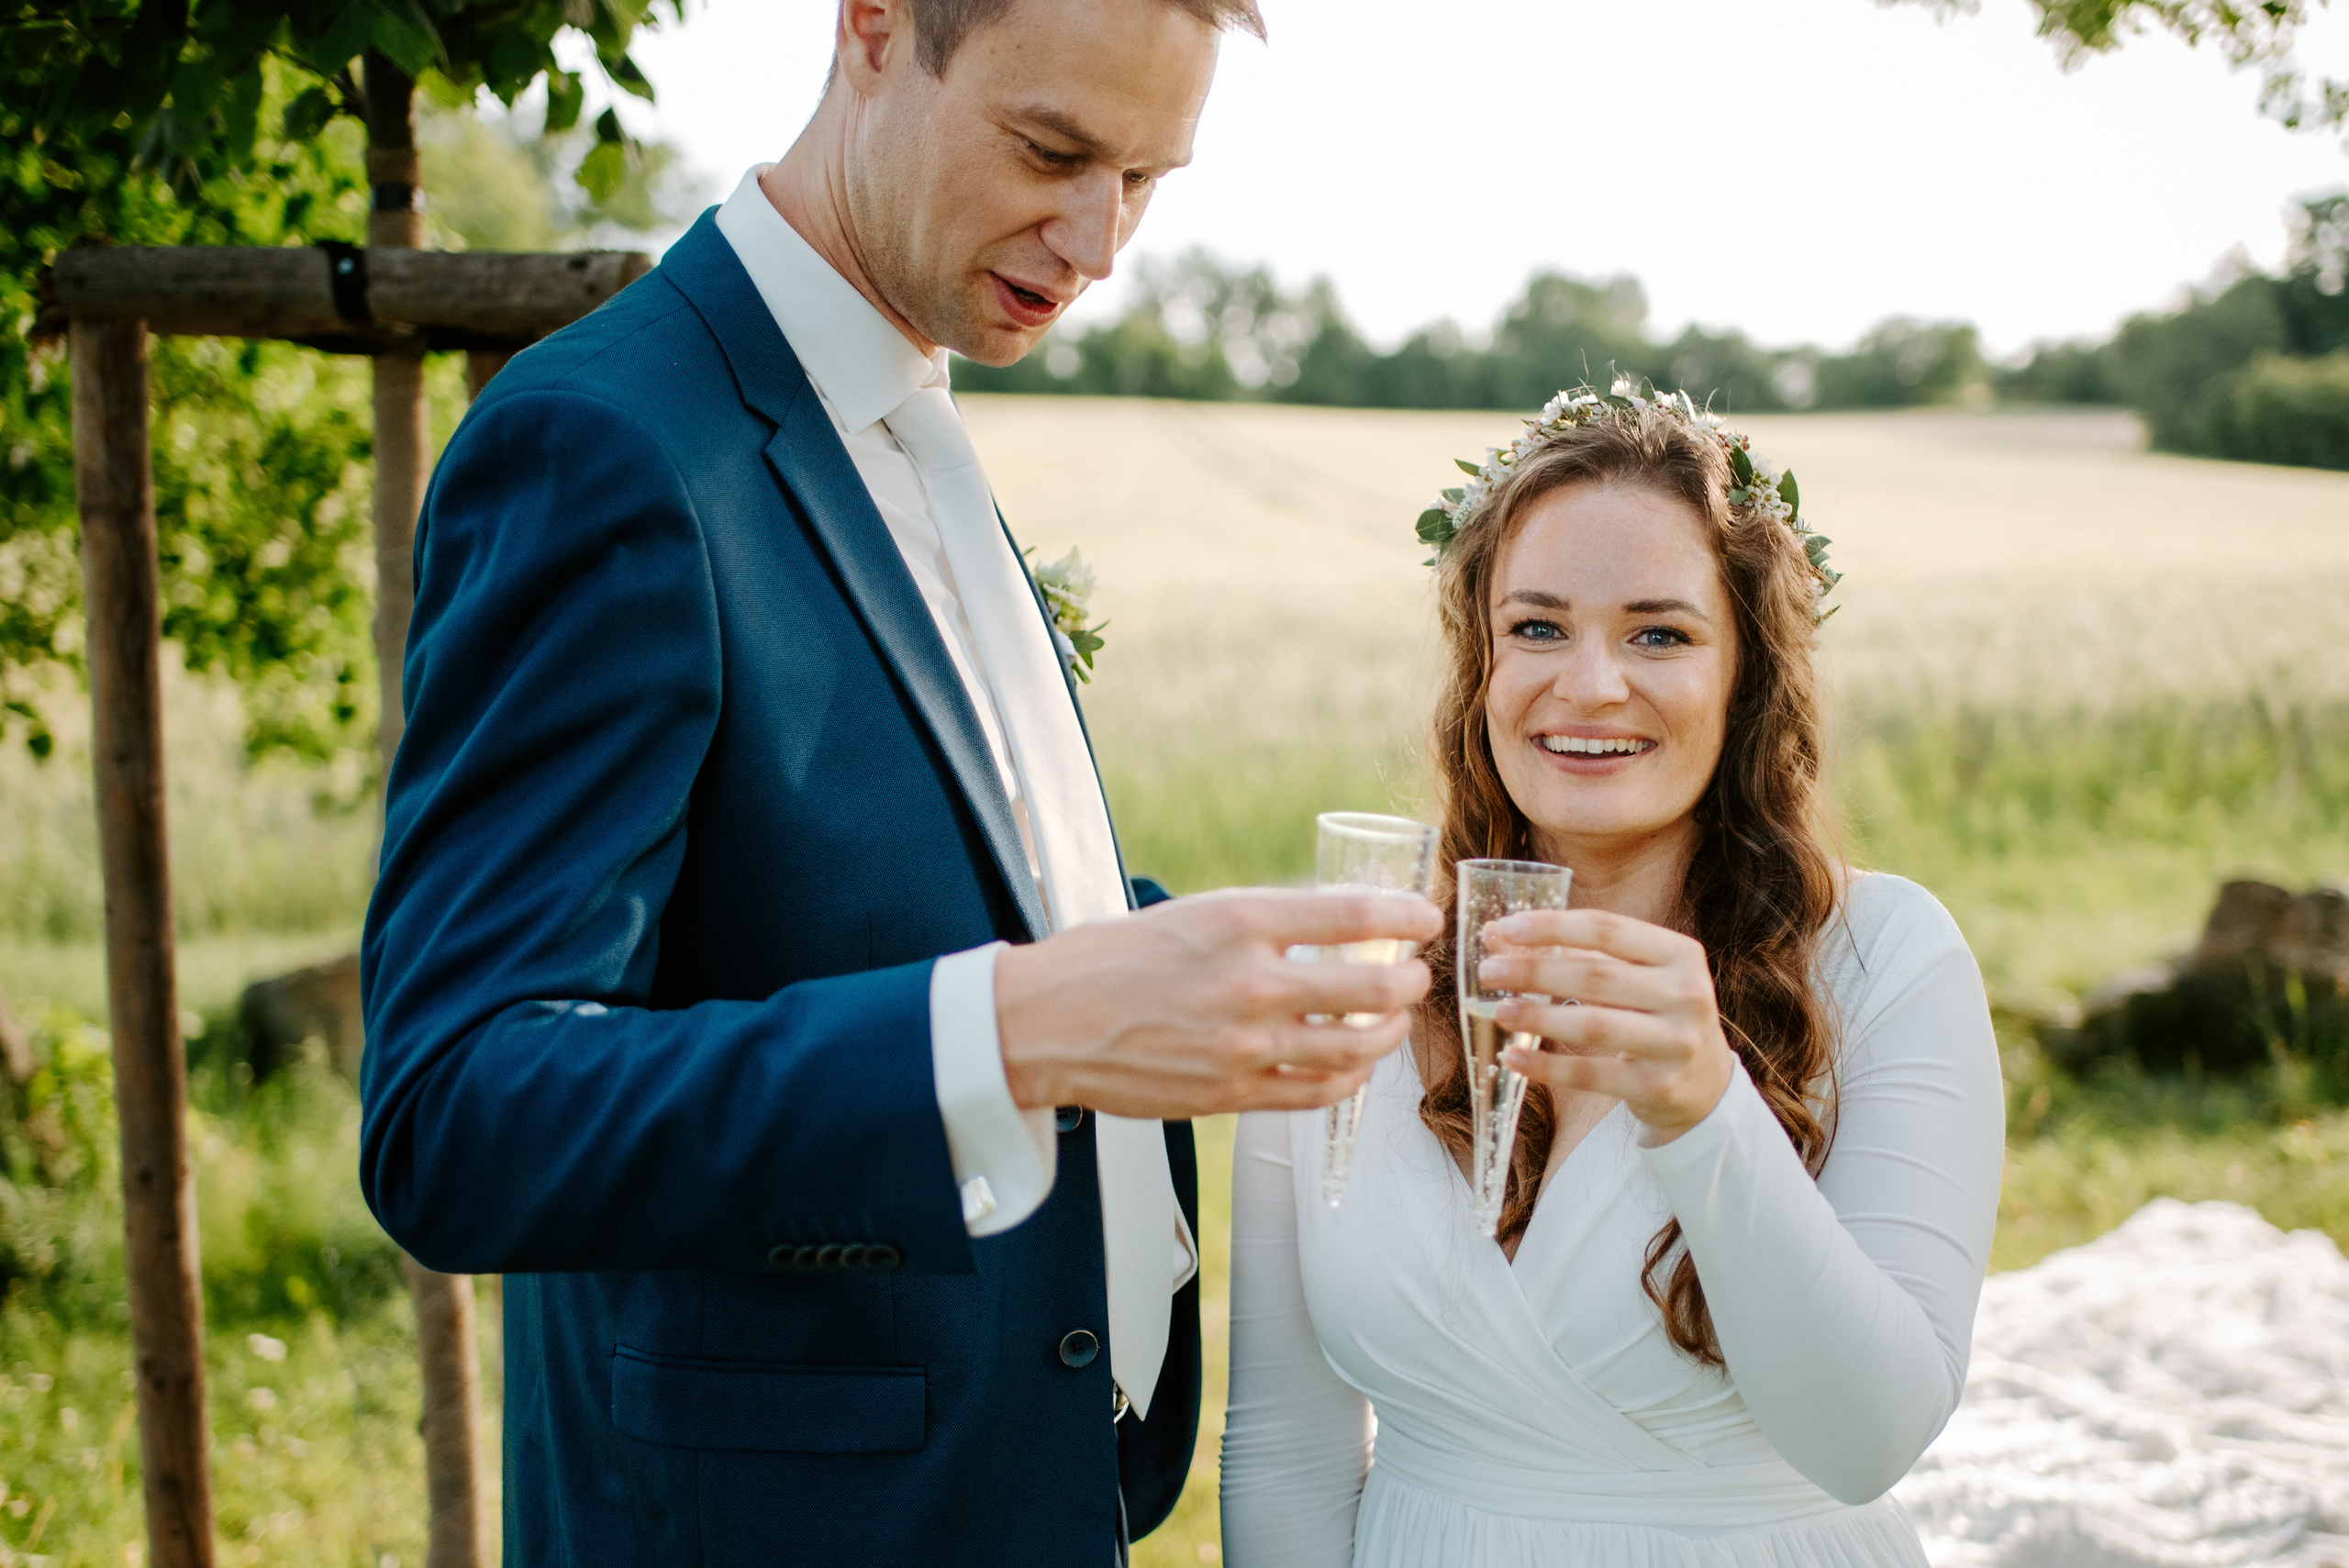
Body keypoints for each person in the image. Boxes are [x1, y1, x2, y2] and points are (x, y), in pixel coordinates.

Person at [357, 2, 1440, 1563]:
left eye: (1148, 178)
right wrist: (1019, 1026)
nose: (1099, 238)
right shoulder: (604, 446)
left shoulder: (904, 414)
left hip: (1029, 1489)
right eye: (1054, 149)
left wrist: (1219, 963)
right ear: (873, 24)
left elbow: (900, 888)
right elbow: (457, 1109)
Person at [1219, 384, 2006, 1565]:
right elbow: (1283, 1442)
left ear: (1747, 676)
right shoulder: (1358, 955)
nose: (1587, 685)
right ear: (1478, 662)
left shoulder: (1887, 958)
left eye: (1658, 632)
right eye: (1536, 627)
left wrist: (1703, 1105)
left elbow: (1869, 1438)